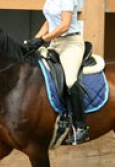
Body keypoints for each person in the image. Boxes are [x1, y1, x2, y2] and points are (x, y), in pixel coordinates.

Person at [26, 0, 89, 145]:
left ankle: (81, 126)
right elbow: (49, 21)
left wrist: (42, 40)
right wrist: (34, 40)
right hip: (55, 43)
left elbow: (65, 26)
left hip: (71, 43)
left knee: (70, 80)